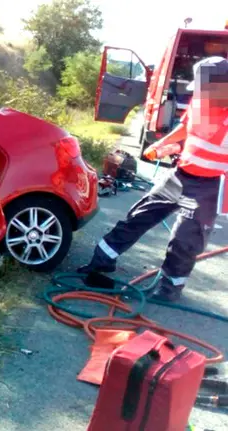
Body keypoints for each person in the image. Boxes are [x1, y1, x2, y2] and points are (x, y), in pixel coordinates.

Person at [78, 56, 228, 302]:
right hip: (178, 176)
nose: (201, 95)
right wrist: (160, 145)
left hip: (207, 188)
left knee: (185, 240)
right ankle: (101, 262)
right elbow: (185, 128)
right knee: (138, 216)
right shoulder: (199, 102)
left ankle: (169, 289)